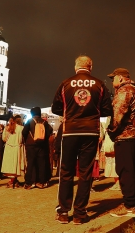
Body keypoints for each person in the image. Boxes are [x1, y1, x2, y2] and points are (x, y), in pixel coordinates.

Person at [52, 55, 112, 225]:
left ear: (76, 67)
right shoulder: (99, 84)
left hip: (70, 132)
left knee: (66, 171)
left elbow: (56, 106)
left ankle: (63, 211)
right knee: (85, 173)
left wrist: (69, 112)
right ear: (90, 67)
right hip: (90, 132)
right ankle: (80, 213)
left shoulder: (66, 83)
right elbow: (107, 109)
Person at [105, 68, 135, 218]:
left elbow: (118, 114)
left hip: (125, 137)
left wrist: (111, 131)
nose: (111, 81)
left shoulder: (124, 91)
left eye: (113, 78)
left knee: (125, 171)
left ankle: (129, 207)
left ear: (120, 78)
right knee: (134, 171)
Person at [22, 107, 51, 190]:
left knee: (30, 164)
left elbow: (24, 132)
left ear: (32, 113)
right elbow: (49, 132)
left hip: (31, 145)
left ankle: (28, 183)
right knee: (41, 164)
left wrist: (28, 139)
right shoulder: (44, 122)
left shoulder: (30, 121)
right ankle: (41, 182)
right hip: (41, 146)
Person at [1, 115, 25, 188]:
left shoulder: (7, 127)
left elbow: (3, 138)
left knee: (10, 165)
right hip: (17, 147)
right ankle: (13, 181)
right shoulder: (21, 128)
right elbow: (22, 139)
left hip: (8, 147)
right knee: (16, 165)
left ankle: (12, 181)